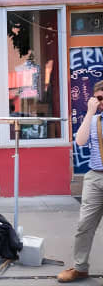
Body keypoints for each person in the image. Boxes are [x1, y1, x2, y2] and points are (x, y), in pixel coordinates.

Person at [57, 80, 103, 283]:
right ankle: (80, 267)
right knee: (84, 225)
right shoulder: (93, 120)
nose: (101, 102)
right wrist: (91, 113)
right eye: (98, 98)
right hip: (95, 176)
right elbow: (81, 141)